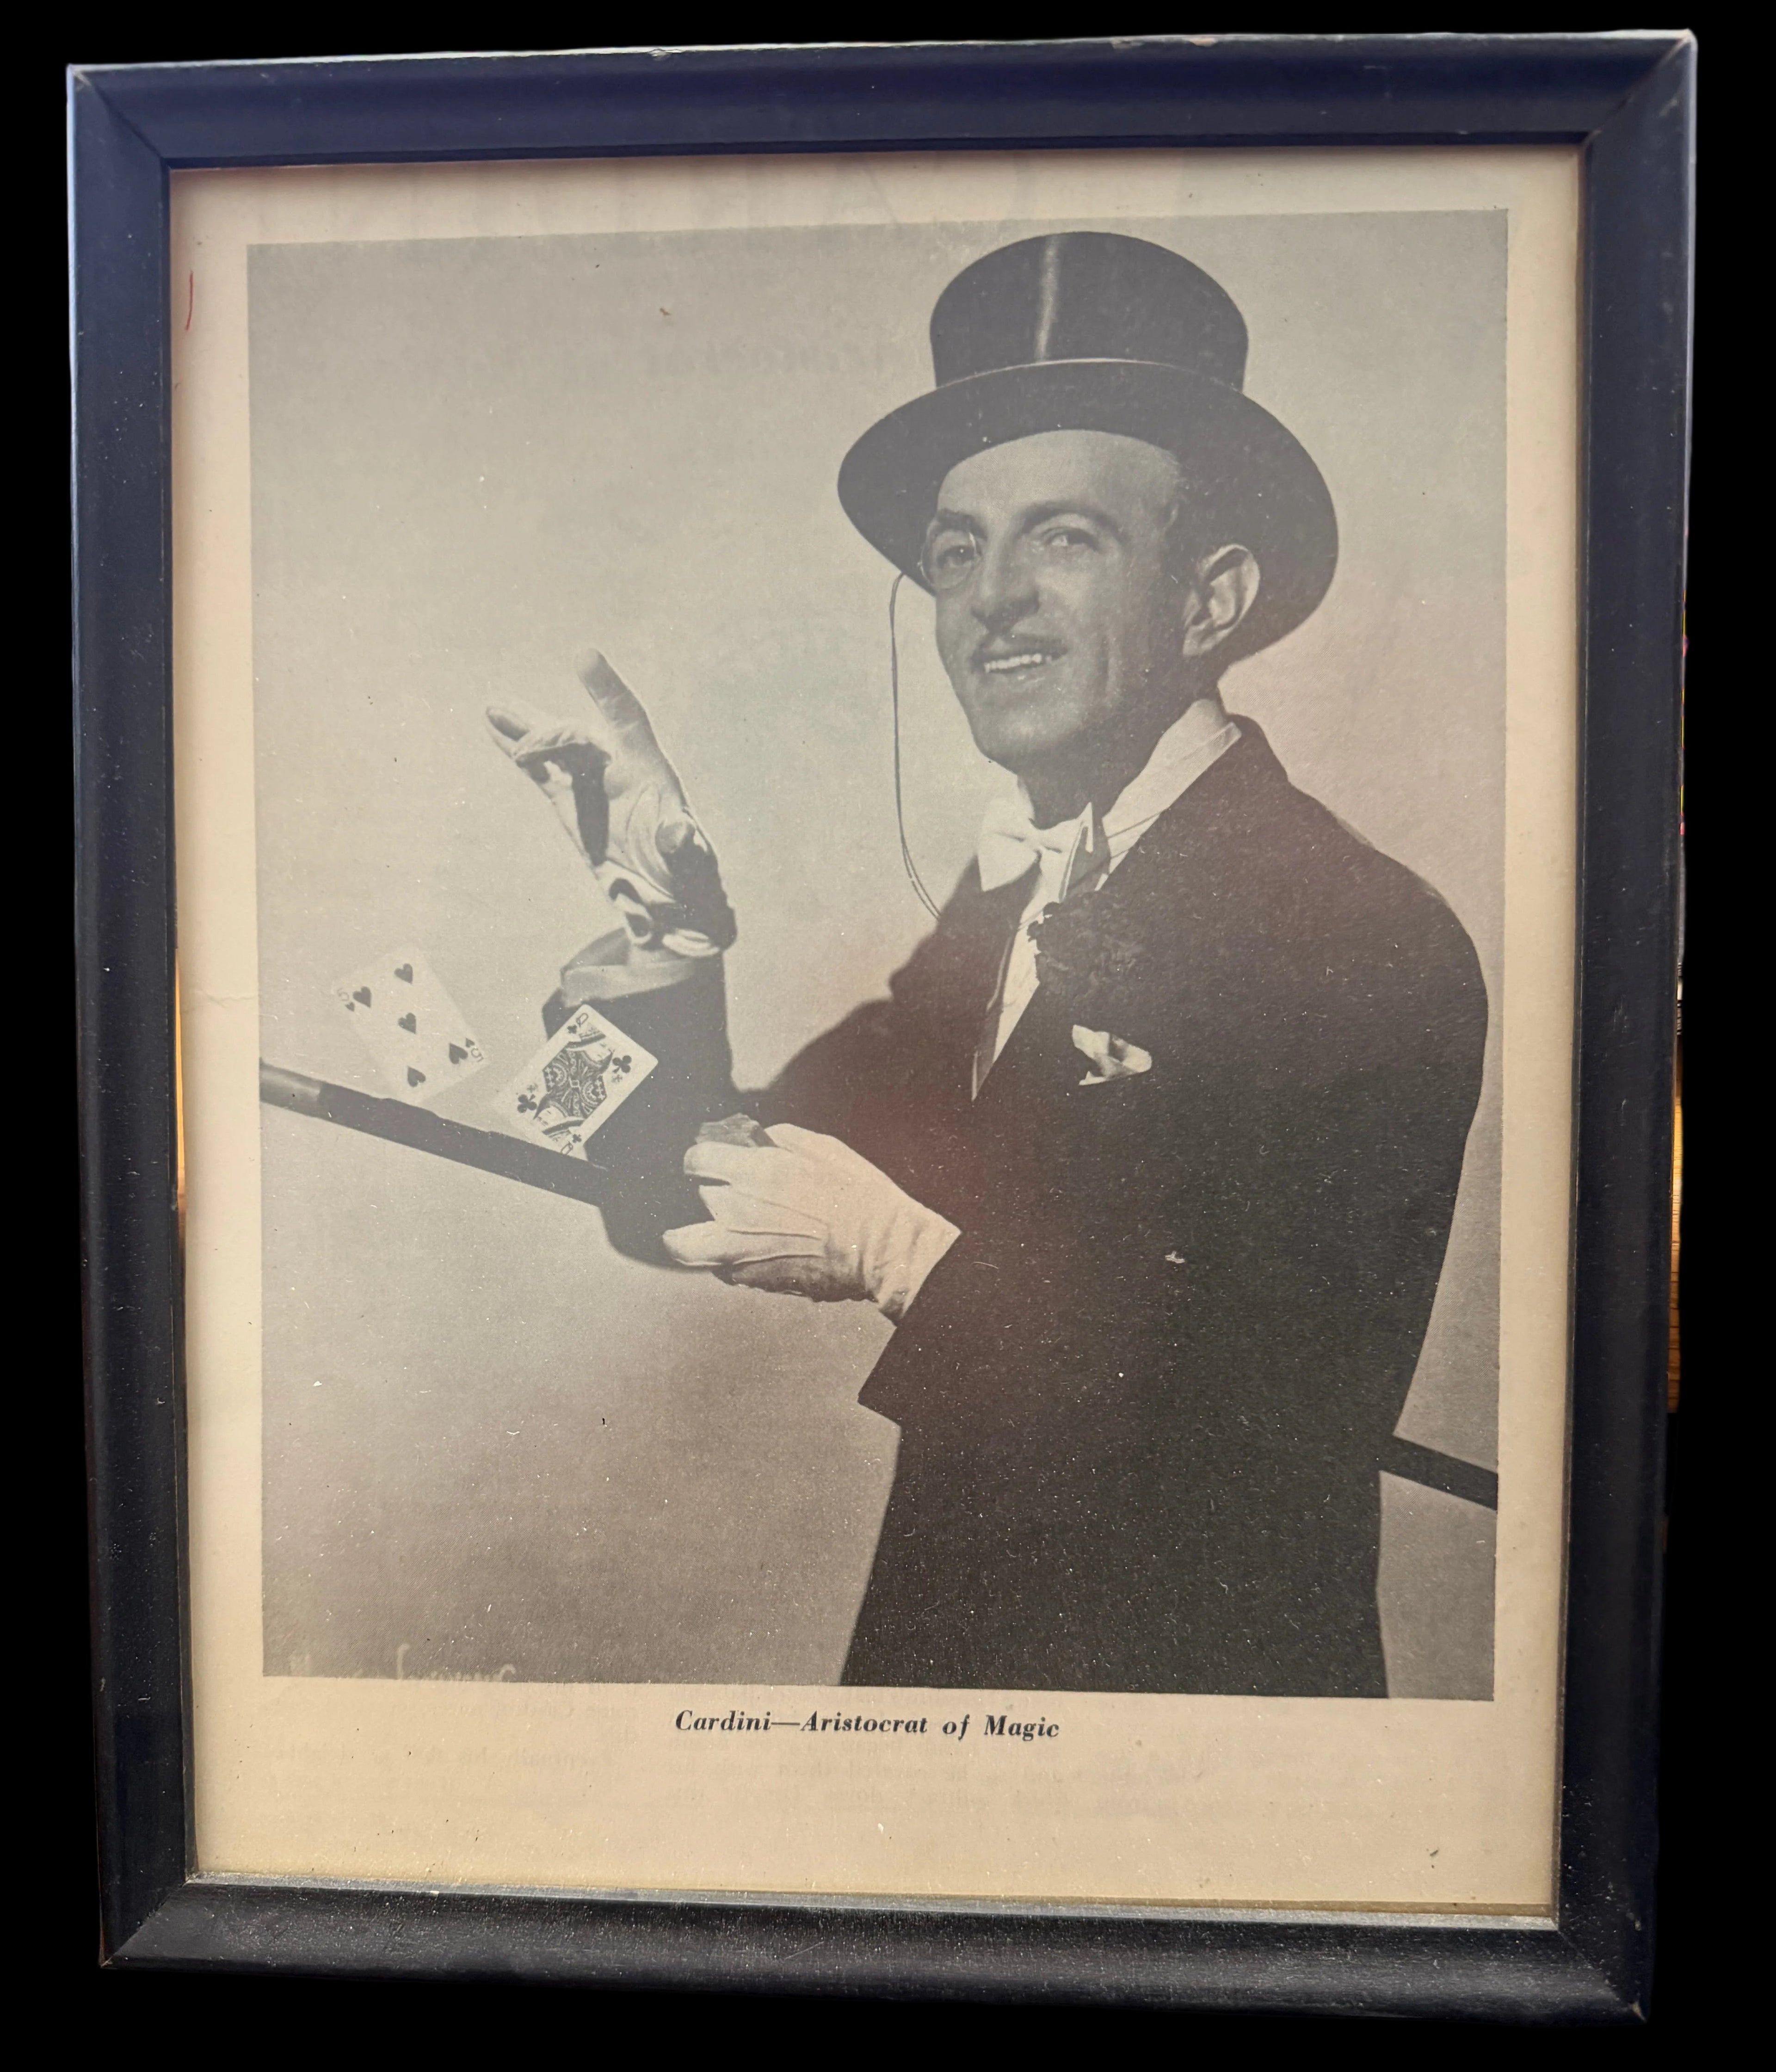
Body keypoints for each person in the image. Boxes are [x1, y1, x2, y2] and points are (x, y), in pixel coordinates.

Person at [486, 233, 1487, 1697]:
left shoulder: (1365, 933)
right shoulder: (998, 910)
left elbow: (1268, 1428)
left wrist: (906, 1260)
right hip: (938, 1717)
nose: (990, 600)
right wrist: (663, 938)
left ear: (1210, 601)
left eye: (1064, 538)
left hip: (1209, 1750)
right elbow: (663, 1202)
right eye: (958, 550)